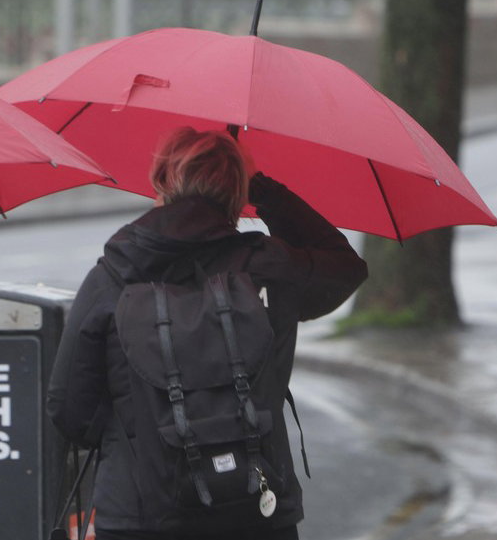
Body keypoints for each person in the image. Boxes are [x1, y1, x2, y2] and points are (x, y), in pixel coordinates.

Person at [47, 128, 368, 540]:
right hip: (255, 509)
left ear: (161, 180)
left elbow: (70, 411)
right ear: (237, 193)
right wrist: (263, 187)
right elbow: (345, 268)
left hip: (141, 517)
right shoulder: (269, 267)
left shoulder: (112, 278)